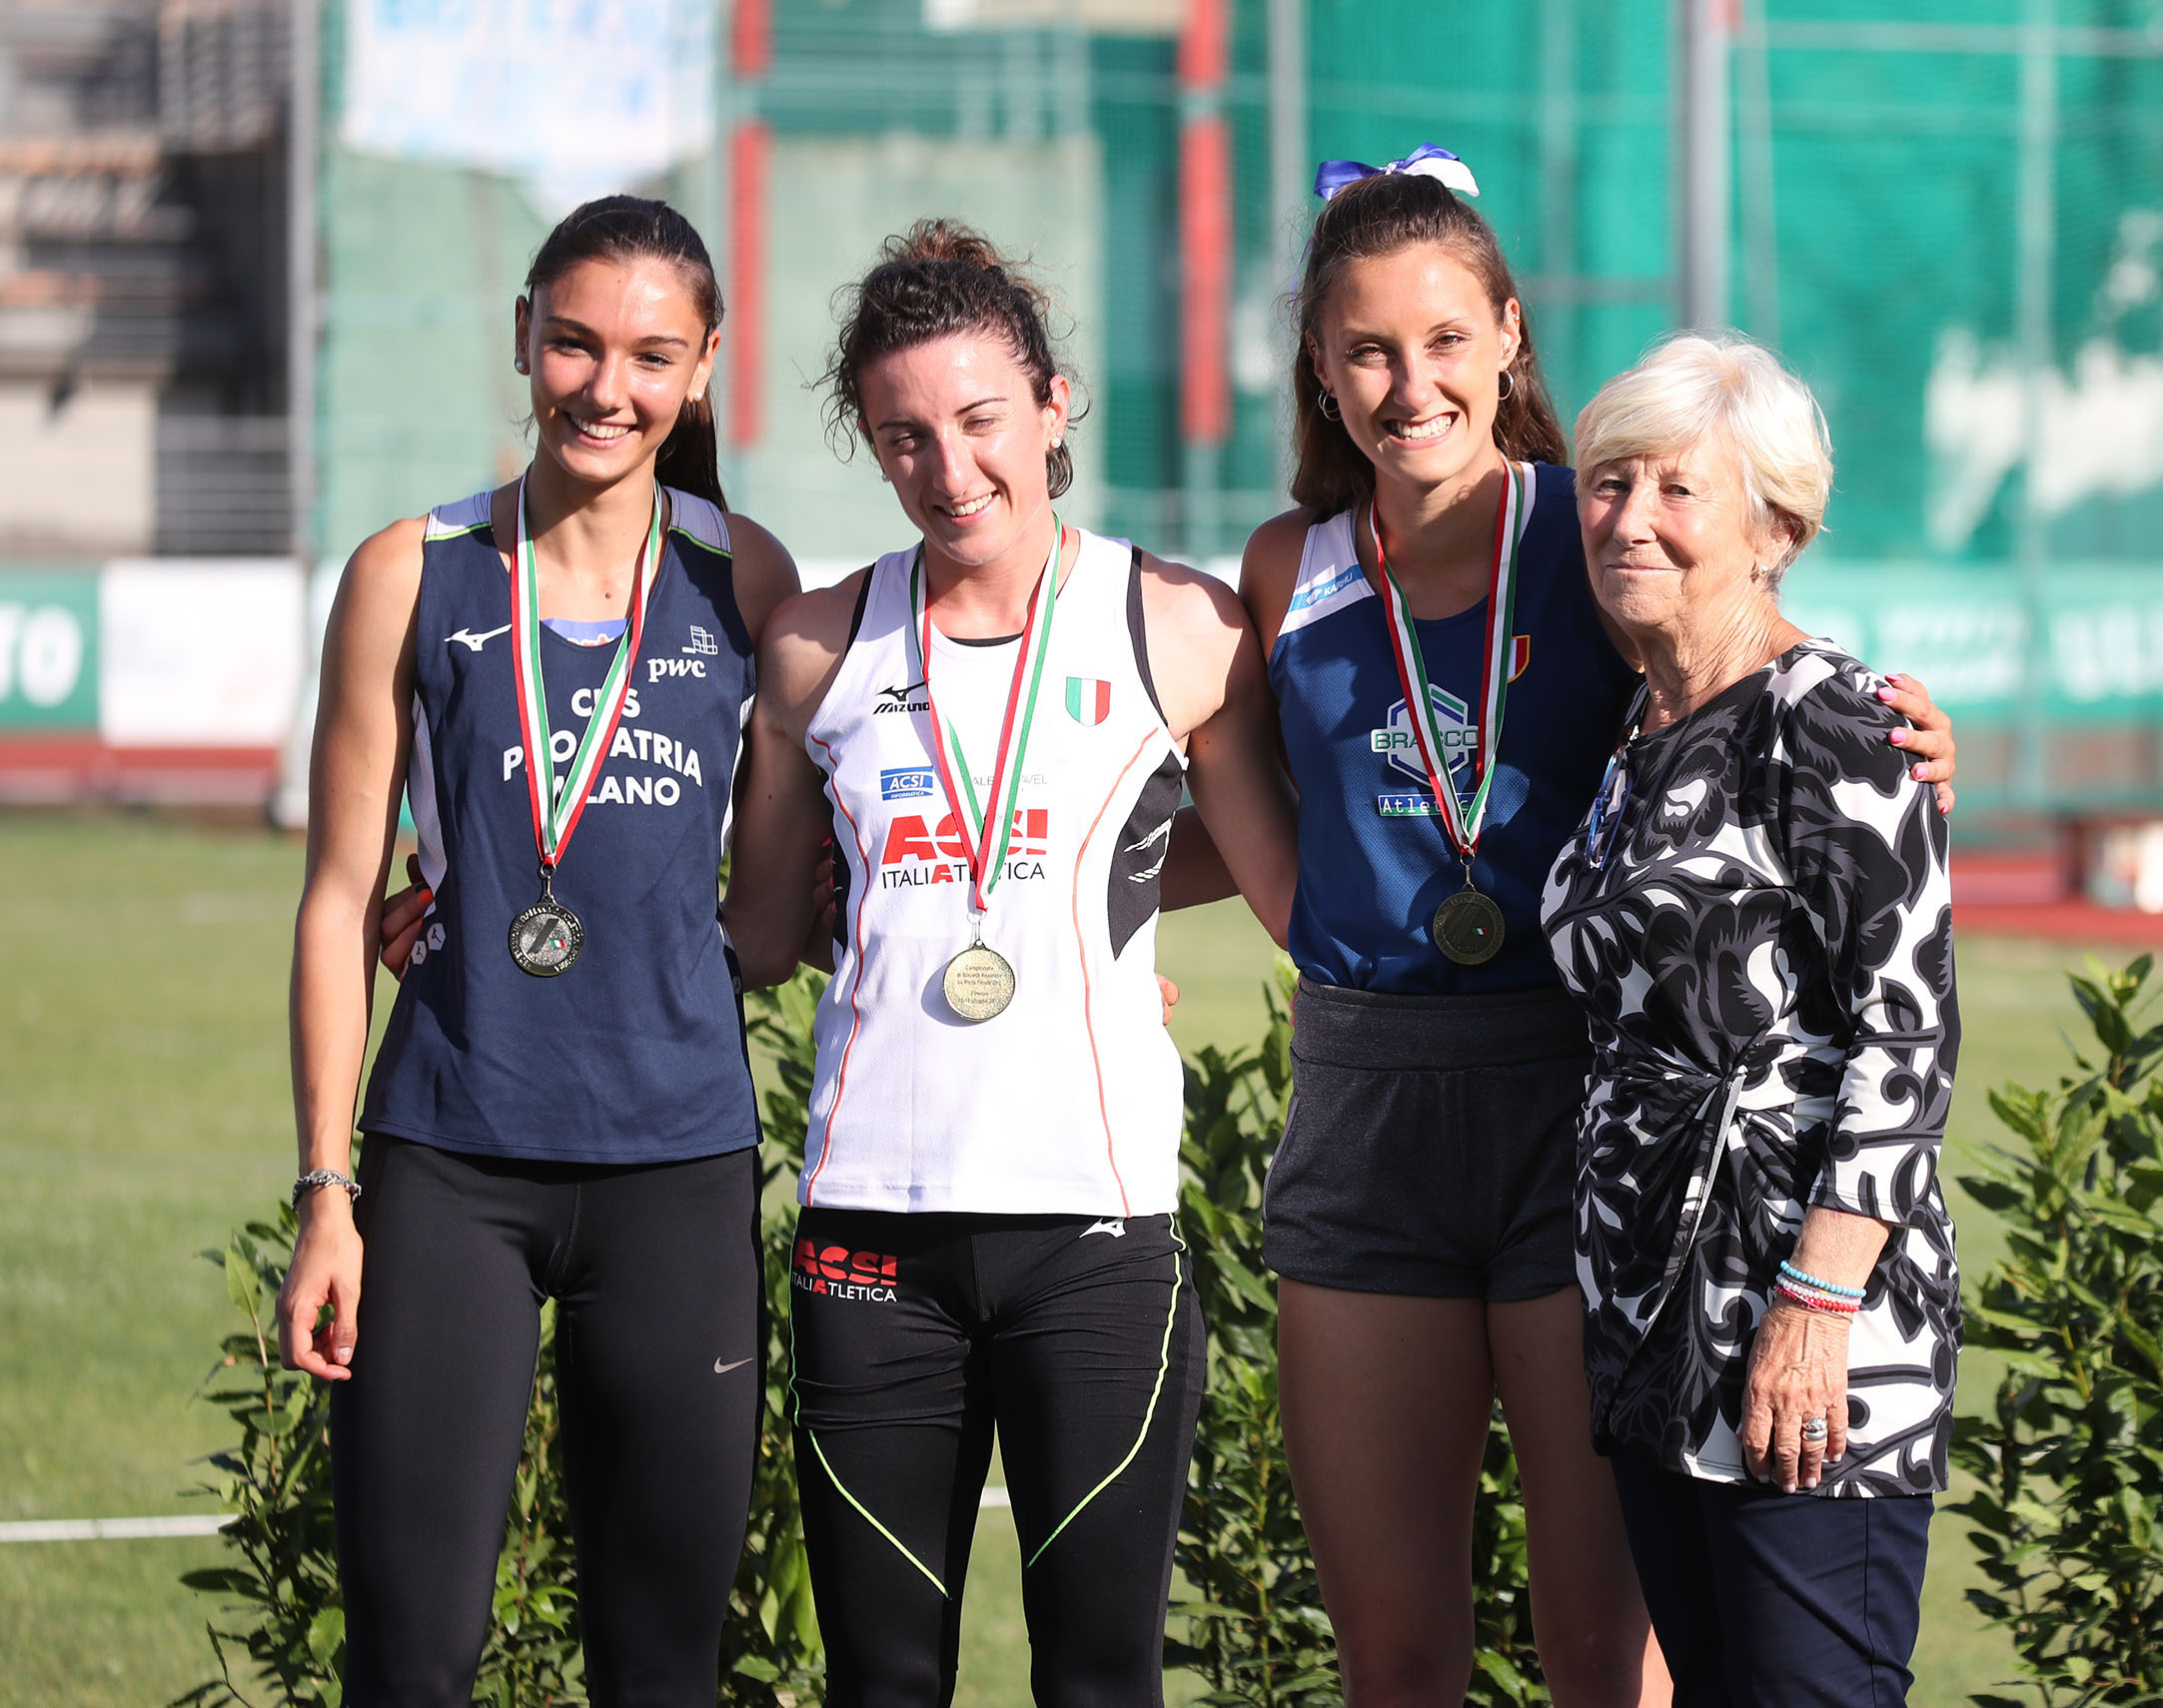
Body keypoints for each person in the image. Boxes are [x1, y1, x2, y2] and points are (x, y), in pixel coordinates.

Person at [1167, 150, 1958, 1705]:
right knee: (1396, 1659)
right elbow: (1261, 813)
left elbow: (1750, 687)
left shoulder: (1589, 522)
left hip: (1576, 1096)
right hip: (1368, 1101)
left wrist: (1902, 731)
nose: (1409, 385)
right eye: (1366, 349)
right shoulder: (1283, 566)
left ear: (1508, 336)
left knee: (1605, 1654)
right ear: (1315, 365)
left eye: (1444, 339)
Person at [723, 220, 1299, 1708]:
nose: (950, 468)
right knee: (881, 1681)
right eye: (904, 436)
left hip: (1093, 1233)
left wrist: (1089, 902)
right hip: (871, 1229)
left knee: (1100, 1680)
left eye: (981, 420)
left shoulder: (1180, 628)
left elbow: (1286, 886)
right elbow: (762, 934)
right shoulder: (813, 649)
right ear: (870, 445)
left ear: (1053, 405)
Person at [278, 195, 800, 1706]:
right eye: (574, 343)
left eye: (650, 355)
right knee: (411, 1662)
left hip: (677, 1171)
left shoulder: (748, 580)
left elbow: (788, 906)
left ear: (703, 364)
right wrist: (325, 1190)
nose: (606, 387)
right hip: (450, 1164)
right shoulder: (410, 569)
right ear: (523, 337)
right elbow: (336, 900)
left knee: (661, 1671)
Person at [1541, 332, 1958, 1706]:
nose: (1630, 518)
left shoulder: (1830, 719)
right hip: (1651, 1323)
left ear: (1775, 530)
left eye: (1679, 489)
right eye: (1611, 483)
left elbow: (1908, 1039)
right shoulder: (1637, 728)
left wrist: (1816, 1307)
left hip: (1801, 1331)